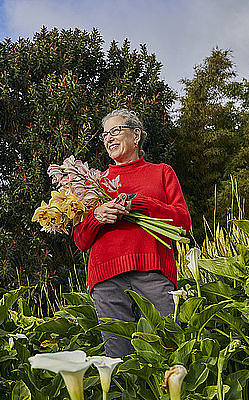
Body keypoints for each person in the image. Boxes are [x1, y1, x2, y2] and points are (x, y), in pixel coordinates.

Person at [73, 109, 191, 357]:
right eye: (105, 134)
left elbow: (182, 223)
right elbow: (81, 240)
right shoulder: (95, 182)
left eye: (116, 131)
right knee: (118, 359)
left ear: (136, 135)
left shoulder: (161, 172)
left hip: (153, 272)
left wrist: (138, 204)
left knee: (171, 347)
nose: (108, 138)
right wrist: (96, 217)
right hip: (106, 278)